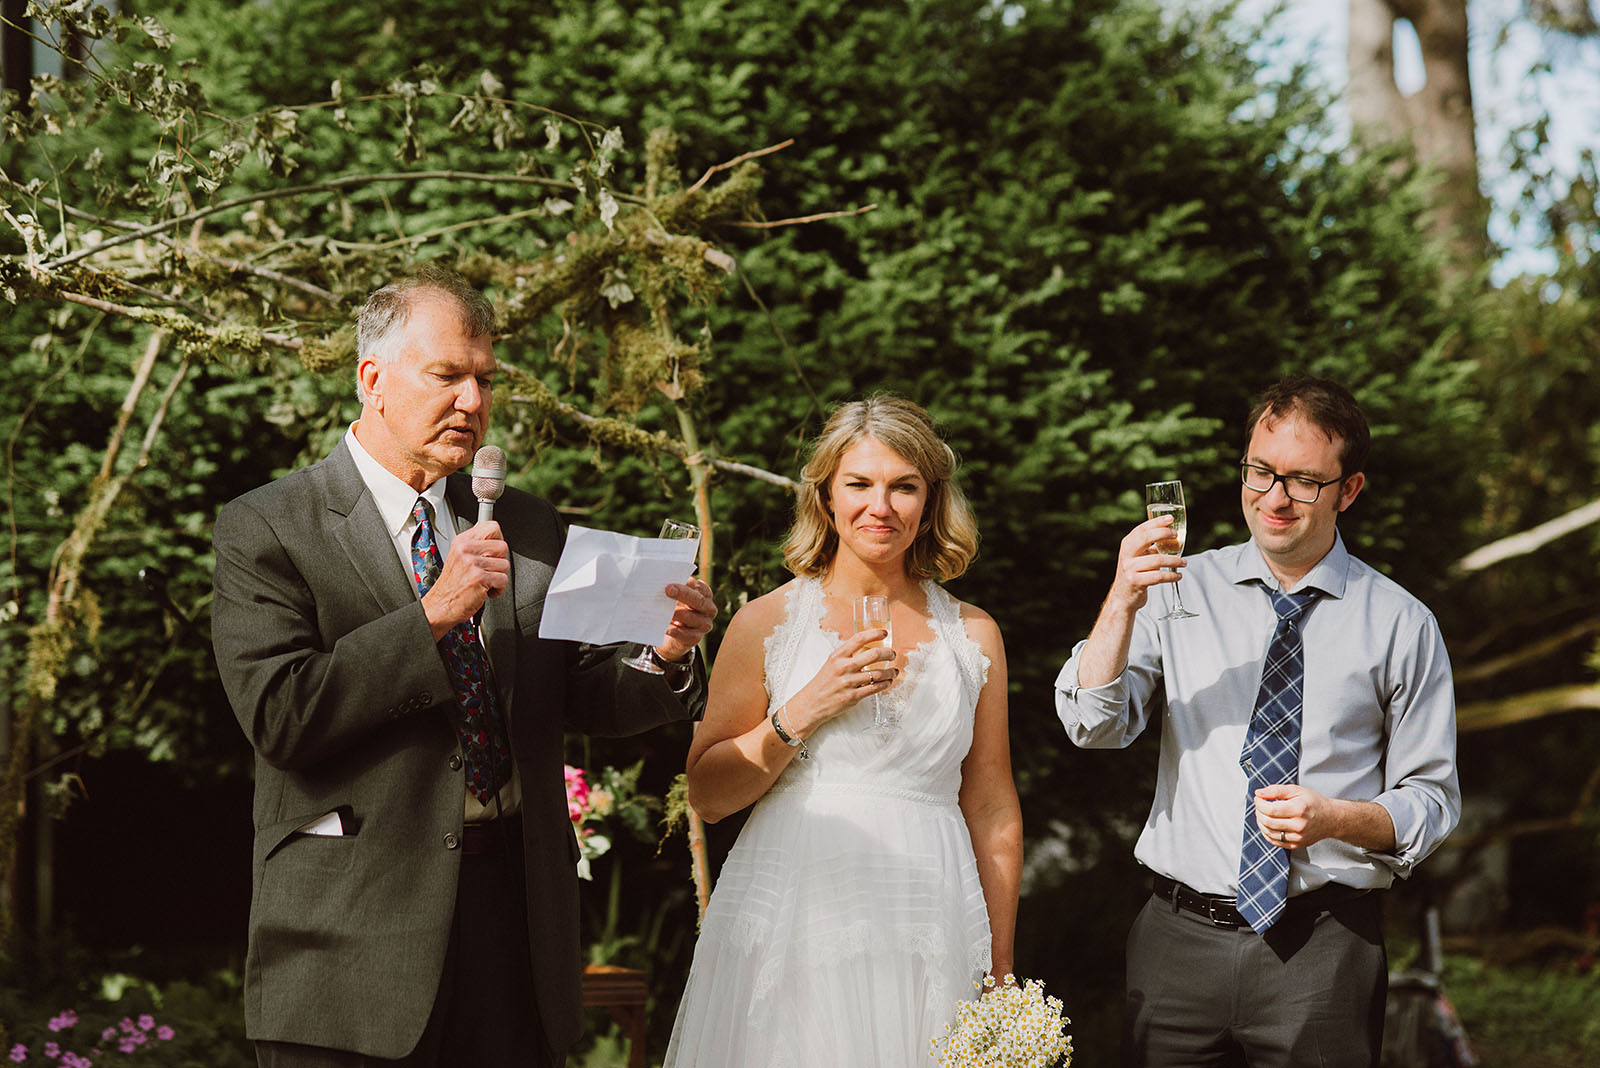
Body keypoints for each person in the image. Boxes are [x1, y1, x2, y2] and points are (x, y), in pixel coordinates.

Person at [211, 265, 717, 1068]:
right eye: (447, 375)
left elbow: (580, 693)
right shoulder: (269, 526)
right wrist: (432, 616)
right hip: (352, 938)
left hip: (514, 921)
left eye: (485, 380)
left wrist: (663, 652)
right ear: (372, 379)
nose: (474, 403)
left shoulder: (521, 519)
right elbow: (283, 714)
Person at [1055, 375, 1460, 1067]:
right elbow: (1094, 725)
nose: (1274, 498)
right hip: (1175, 947)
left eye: (1303, 480)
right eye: (1261, 471)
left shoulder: (1401, 624)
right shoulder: (1176, 589)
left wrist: (1333, 819)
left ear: (1349, 490)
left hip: (1323, 951)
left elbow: (1432, 802)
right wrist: (1121, 600)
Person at [663, 395, 1023, 1068]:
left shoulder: (974, 635)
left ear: (930, 498)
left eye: (903, 486)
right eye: (858, 484)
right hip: (797, 923)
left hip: (932, 920)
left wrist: (999, 962)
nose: (879, 506)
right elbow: (708, 795)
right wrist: (801, 711)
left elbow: (993, 805)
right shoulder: (766, 623)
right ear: (826, 496)